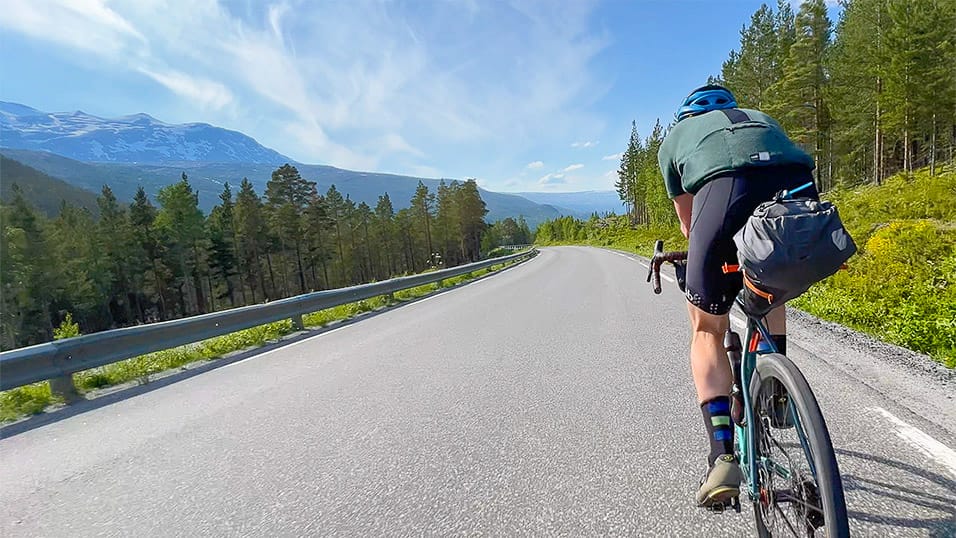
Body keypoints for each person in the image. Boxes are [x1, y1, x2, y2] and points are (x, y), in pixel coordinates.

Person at [656, 84, 817, 508]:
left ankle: (723, 456)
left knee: (707, 328)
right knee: (771, 289)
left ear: (685, 117)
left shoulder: (675, 139)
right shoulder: (762, 119)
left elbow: (691, 228)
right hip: (800, 190)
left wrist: (705, 264)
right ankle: (777, 398)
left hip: (726, 192)